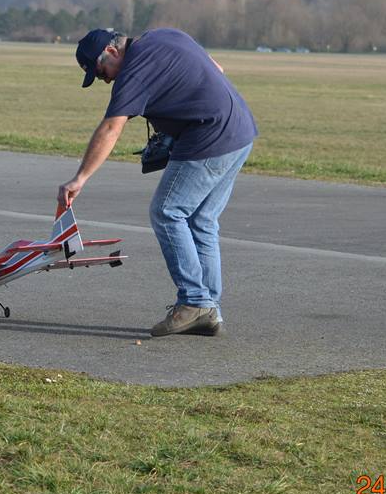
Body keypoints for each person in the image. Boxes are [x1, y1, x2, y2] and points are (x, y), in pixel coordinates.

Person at [57, 28, 257, 337]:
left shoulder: (133, 72)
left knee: (167, 212)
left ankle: (194, 302)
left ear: (111, 53)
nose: (106, 81)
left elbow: (111, 128)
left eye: (101, 73)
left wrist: (80, 178)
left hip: (209, 138)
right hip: (240, 129)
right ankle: (209, 309)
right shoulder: (164, 35)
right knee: (202, 220)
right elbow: (216, 69)